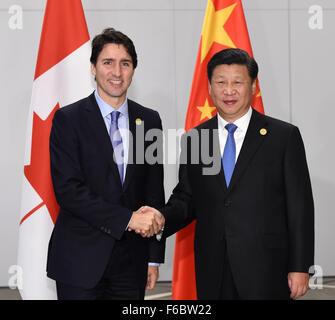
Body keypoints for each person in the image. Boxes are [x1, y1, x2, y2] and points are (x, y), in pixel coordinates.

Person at [142, 48, 314, 300]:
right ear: (210, 88)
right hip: (213, 267)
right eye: (220, 82)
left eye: (237, 82)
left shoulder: (283, 137)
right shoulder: (195, 139)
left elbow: (300, 206)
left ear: (253, 86)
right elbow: (187, 199)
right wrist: (161, 219)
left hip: (266, 268)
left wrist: (300, 266)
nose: (228, 91)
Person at [46, 28, 165, 300]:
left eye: (125, 63)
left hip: (132, 264)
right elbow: (68, 191)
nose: (117, 72)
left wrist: (153, 258)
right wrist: (128, 219)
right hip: (80, 261)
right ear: (93, 67)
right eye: (107, 62)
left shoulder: (149, 120)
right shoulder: (68, 120)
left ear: (134, 69)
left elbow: (153, 191)